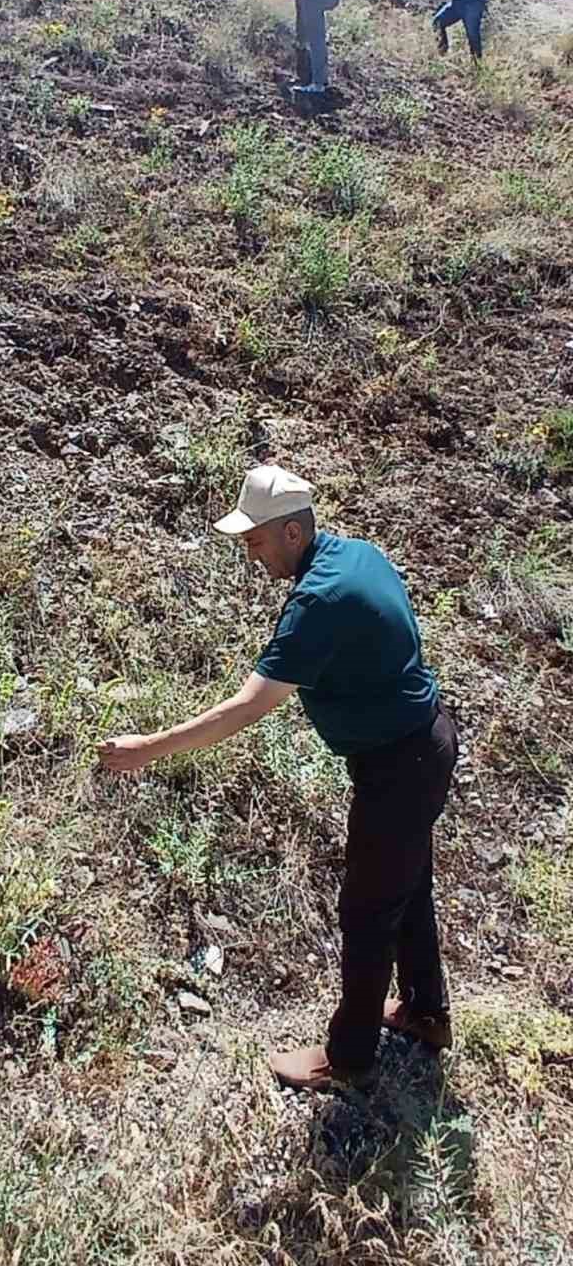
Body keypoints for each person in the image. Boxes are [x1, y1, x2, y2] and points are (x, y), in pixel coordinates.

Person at [100, 464, 459, 1092]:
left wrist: (149, 748)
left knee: (368, 910)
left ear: (293, 532)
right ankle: (426, 1013)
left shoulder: (318, 599)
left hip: (400, 765)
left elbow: (246, 707)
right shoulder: (358, 556)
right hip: (426, 742)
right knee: (407, 886)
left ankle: (348, 1060)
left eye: (255, 540)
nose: (250, 553)